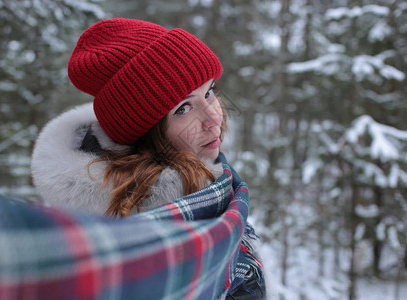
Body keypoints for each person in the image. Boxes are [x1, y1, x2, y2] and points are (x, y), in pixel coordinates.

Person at [31, 18, 267, 299]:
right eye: (183, 108)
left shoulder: (213, 189)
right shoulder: (159, 239)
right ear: (144, 131)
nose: (214, 117)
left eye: (210, 92)